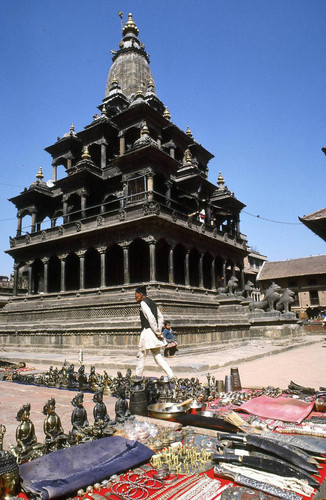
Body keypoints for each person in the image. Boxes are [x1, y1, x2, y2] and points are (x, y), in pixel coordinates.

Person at [135, 286, 174, 379]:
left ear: (140, 294)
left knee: (141, 355)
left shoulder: (143, 303)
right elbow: (160, 318)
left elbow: (151, 318)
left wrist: (157, 332)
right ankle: (171, 374)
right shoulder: (152, 302)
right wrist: (158, 330)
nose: (135, 297)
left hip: (147, 332)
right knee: (157, 356)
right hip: (153, 332)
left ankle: (137, 377)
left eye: (136, 295)